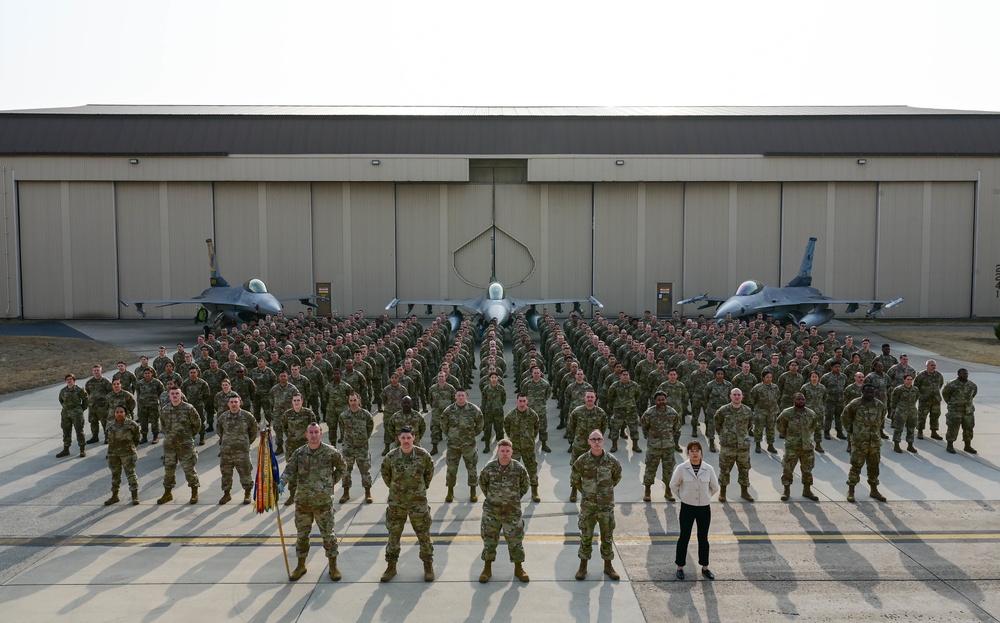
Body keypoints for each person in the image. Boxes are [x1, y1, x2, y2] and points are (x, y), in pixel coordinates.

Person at [280, 422, 348, 582]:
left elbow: (342, 467)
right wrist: (281, 483)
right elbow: (289, 470)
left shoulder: (330, 452)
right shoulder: (299, 453)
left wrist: (330, 482)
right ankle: (301, 565)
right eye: (310, 432)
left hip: (323, 503)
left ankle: (333, 567)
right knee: (302, 536)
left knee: (328, 536)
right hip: (303, 503)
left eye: (316, 432)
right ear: (306, 435)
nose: (313, 435)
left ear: (321, 433)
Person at [380, 426, 436, 583]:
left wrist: (420, 489)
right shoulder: (391, 457)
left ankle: (428, 566)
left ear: (414, 438)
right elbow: (386, 475)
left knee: (424, 535)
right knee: (393, 536)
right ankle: (391, 567)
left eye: (408, 438)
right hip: (397, 504)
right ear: (398, 438)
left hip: (418, 503)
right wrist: (396, 490)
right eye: (403, 438)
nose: (406, 441)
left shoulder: (423, 455)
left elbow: (429, 474)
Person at [571, 429, 623, 581]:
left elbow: (617, 477)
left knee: (607, 537)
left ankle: (608, 566)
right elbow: (575, 479)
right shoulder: (582, 461)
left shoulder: (612, 460)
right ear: (589, 442)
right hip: (589, 507)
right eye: (593, 439)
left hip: (606, 507)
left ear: (603, 441)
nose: (596, 442)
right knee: (586, 537)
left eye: (599, 439)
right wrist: (586, 492)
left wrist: (605, 491)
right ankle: (583, 566)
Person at [477, 438, 531, 583]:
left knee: (515, 541)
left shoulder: (519, 469)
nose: (505, 453)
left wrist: (513, 499)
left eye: (507, 451)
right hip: (492, 512)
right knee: (489, 541)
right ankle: (487, 569)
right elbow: (482, 483)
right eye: (502, 451)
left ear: (512, 452)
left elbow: (525, 485)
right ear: (498, 451)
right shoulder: (489, 468)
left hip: (512, 512)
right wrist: (493, 498)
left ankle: (518, 568)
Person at [670, 440, 718, 580]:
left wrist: (706, 497)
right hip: (687, 507)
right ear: (688, 453)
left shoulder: (708, 469)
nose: (695, 453)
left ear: (701, 453)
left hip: (704, 508)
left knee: (703, 538)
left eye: (697, 450)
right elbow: (673, 485)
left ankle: (705, 567)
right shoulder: (682, 468)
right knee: (684, 537)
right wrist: (684, 496)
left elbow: (715, 487)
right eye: (692, 451)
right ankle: (680, 567)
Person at [157, 387, 203, 505]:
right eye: (172, 393)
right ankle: (167, 493)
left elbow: (197, 424)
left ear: (181, 394)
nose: (175, 395)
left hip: (185, 446)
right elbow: (163, 426)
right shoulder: (165, 410)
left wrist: (188, 436)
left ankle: (194, 493)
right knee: (169, 470)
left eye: (177, 393)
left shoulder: (189, 408)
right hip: (169, 446)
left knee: (189, 469)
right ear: (169, 395)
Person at [842, 385, 887, 502]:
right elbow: (845, 417)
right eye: (867, 392)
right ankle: (851, 490)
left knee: (874, 467)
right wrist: (852, 431)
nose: (870, 395)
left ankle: (874, 490)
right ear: (862, 392)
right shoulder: (855, 404)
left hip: (874, 443)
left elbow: (882, 418)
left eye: (872, 393)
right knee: (856, 466)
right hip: (859, 442)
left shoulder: (879, 405)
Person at [441, 389, 484, 503]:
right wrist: (451, 435)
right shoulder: (449, 410)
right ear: (455, 396)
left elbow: (480, 423)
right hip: (453, 445)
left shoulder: (474, 409)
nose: (460, 397)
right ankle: (450, 491)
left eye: (462, 395)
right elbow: (443, 424)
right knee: (451, 469)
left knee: (472, 468)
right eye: (458, 395)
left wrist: (472, 434)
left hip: (469, 445)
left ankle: (473, 491)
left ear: (466, 396)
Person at [776, 392, 821, 501]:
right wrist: (788, 437)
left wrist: (806, 436)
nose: (801, 401)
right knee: (787, 469)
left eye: (802, 399)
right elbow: (780, 425)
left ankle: (807, 490)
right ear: (794, 401)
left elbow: (813, 426)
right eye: (798, 399)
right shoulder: (787, 413)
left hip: (807, 447)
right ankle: (786, 491)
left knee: (807, 470)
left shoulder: (811, 414)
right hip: (792, 447)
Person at [714, 388, 755, 503]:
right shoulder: (723, 410)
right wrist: (724, 436)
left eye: (739, 395)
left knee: (744, 470)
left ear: (742, 397)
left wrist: (742, 436)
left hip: (743, 447)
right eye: (734, 394)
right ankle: (723, 493)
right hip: (728, 447)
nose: (737, 396)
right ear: (730, 396)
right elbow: (717, 424)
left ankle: (744, 492)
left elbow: (749, 425)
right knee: (725, 470)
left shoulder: (747, 410)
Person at [641, 391, 682, 502]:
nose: (661, 402)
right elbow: (644, 427)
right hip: (654, 447)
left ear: (666, 400)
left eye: (663, 400)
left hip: (668, 447)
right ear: (655, 401)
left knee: (669, 470)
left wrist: (668, 437)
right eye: (659, 400)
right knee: (650, 469)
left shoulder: (672, 413)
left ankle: (668, 492)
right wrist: (651, 439)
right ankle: (647, 492)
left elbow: (676, 427)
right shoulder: (649, 413)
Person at [216, 394, 257, 505]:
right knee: (226, 473)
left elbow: (253, 431)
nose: (234, 404)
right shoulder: (223, 417)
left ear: (240, 403)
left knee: (245, 472)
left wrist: (246, 443)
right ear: (228, 404)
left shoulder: (247, 416)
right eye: (231, 402)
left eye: (236, 402)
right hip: (226, 451)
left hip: (242, 451)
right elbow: (219, 431)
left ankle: (247, 493)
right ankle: (226, 494)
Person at [504, 394, 542, 502]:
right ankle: (512, 492)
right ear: (517, 401)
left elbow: (536, 427)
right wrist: (512, 438)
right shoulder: (511, 414)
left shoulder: (532, 414)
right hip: (515, 447)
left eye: (524, 401)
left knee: (532, 469)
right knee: (513, 470)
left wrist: (530, 438)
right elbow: (506, 426)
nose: (522, 403)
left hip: (528, 447)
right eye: (520, 401)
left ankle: (534, 491)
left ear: (527, 401)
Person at [339, 392, 375, 503]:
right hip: (348, 448)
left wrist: (363, 438)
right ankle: (346, 493)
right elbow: (342, 429)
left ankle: (368, 493)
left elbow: (370, 427)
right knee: (345, 471)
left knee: (365, 471)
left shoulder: (366, 415)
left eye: (355, 400)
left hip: (362, 448)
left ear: (359, 401)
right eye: (351, 400)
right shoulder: (344, 415)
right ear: (348, 401)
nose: (353, 403)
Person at [104, 405, 141, 505]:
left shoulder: (131, 424)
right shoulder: (110, 424)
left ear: (125, 413)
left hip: (128, 454)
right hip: (113, 454)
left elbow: (137, 438)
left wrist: (131, 447)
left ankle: (134, 496)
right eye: (117, 412)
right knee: (115, 475)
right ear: (114, 413)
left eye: (121, 412)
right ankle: (114, 496)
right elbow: (107, 437)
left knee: (131, 474)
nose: (119, 414)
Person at [942, 368, 978, 454]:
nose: (965, 375)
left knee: (968, 429)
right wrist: (952, 403)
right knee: (953, 428)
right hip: (955, 411)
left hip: (968, 411)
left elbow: (973, 394)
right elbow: (945, 394)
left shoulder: (972, 385)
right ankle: (950, 445)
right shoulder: (951, 384)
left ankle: (967, 445)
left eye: (966, 374)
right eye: (962, 373)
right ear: (958, 374)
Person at [57, 374, 88, 458]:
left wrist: (81, 409)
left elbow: (86, 400)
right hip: (66, 413)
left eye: (70, 379)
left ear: (74, 380)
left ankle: (82, 449)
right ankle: (66, 449)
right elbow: (61, 400)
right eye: (67, 379)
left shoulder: (79, 389)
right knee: (66, 431)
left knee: (79, 431)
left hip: (76, 413)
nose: (69, 381)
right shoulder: (63, 390)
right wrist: (66, 408)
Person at [85, 364, 113, 444]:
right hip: (92, 406)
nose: (96, 372)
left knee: (105, 422)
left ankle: (107, 437)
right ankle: (95, 437)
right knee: (93, 422)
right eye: (95, 370)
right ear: (92, 372)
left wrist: (108, 403)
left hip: (103, 406)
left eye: (98, 370)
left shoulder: (106, 381)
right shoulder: (89, 382)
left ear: (101, 371)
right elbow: (88, 392)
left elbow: (111, 392)